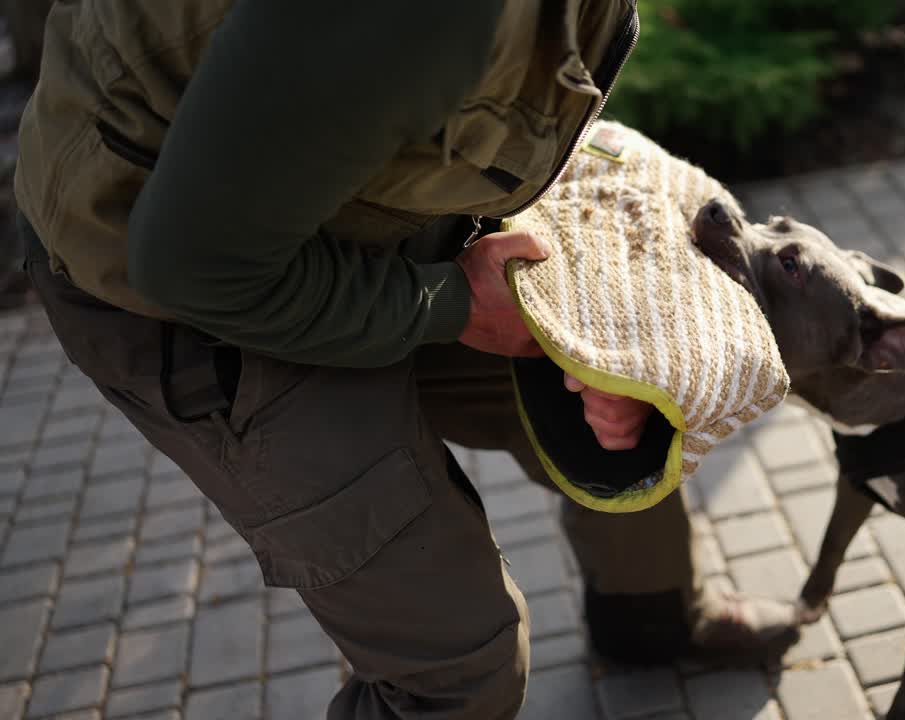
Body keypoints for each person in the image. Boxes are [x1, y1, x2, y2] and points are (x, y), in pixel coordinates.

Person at [14, 2, 800, 718]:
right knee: (460, 672)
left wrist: (614, 332)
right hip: (202, 300)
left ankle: (650, 624)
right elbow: (197, 267)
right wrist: (456, 308)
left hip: (375, 223)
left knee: (628, 401)